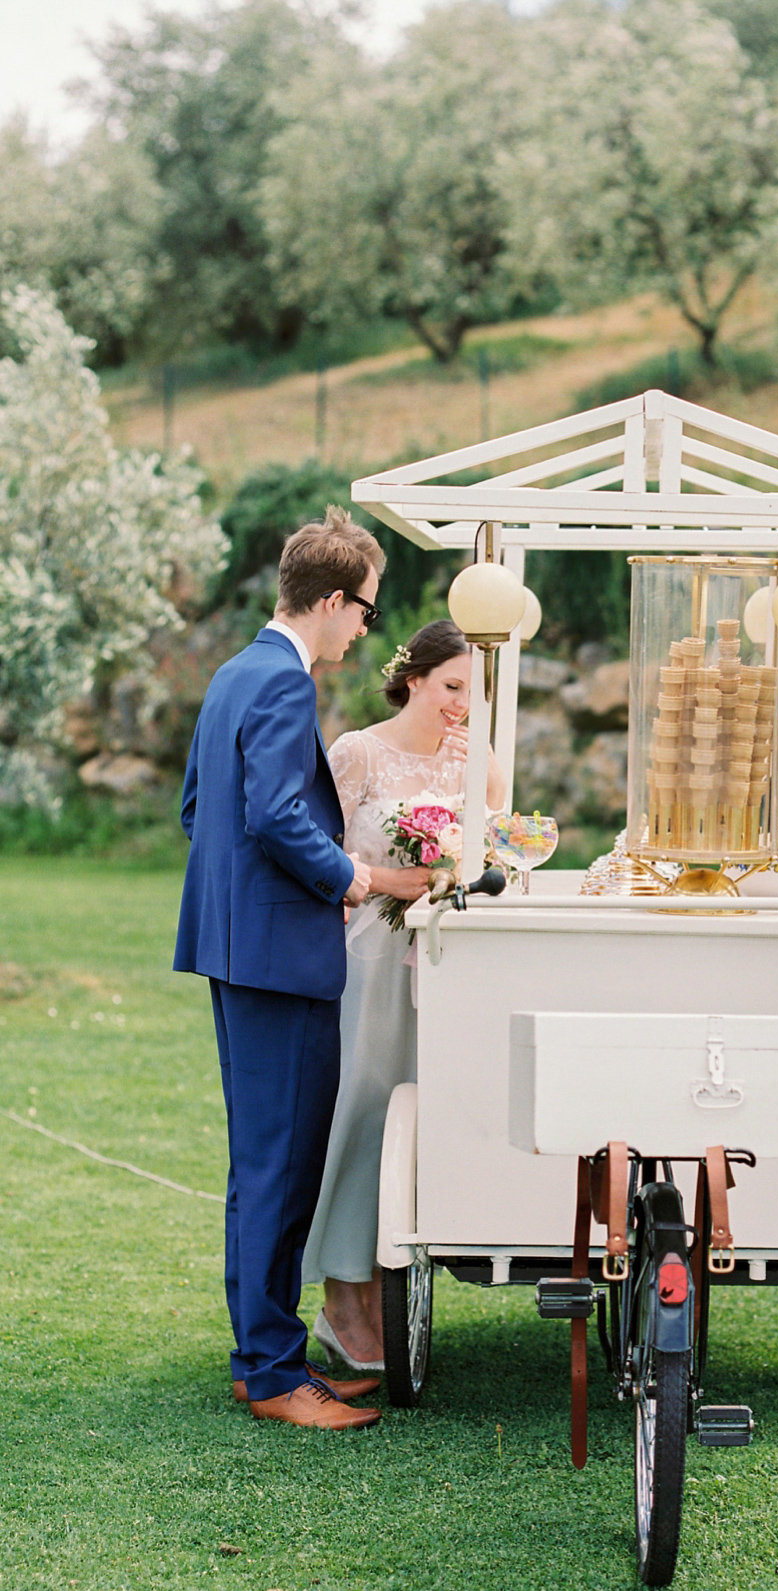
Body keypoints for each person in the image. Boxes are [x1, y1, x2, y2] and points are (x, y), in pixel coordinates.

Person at [174, 507, 388, 1429]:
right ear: (333, 600)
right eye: (367, 613)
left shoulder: (233, 673)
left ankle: (266, 1357)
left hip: (242, 952)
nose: (365, 630)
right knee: (281, 1162)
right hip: (280, 961)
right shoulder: (282, 684)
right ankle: (269, 1373)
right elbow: (269, 815)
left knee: (266, 1160)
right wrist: (350, 878)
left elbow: (196, 810)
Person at [303, 620, 506, 1369]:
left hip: (448, 970)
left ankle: (390, 1286)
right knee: (360, 1113)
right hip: (368, 963)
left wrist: (478, 783)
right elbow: (316, 849)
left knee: (425, 1122)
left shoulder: (474, 762)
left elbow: (501, 854)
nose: (461, 704)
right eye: (452, 686)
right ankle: (338, 1299)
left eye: (473, 692)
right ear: (414, 676)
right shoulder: (358, 751)